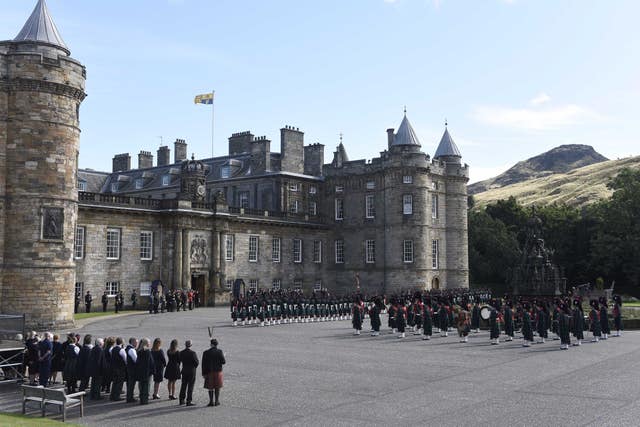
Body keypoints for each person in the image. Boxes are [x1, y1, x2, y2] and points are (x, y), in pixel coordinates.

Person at [202, 338, 226, 407]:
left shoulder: (206, 352)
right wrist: (223, 356)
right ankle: (217, 401)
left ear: (211, 344)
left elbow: (203, 364)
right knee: (217, 387)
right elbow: (223, 362)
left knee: (210, 387)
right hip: (218, 372)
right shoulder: (220, 351)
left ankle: (211, 402)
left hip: (209, 372)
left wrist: (204, 373)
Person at [178, 340, 199, 406]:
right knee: (190, 386)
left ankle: (181, 400)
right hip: (191, 371)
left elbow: (179, 361)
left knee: (183, 385)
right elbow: (197, 363)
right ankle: (189, 401)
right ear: (191, 345)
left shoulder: (181, 352)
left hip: (184, 370)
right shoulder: (193, 353)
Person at [135, 338, 155, 405]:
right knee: (146, 386)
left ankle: (141, 398)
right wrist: (153, 370)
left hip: (140, 371)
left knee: (141, 385)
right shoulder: (147, 351)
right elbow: (150, 362)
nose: (150, 344)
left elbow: (137, 361)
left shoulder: (139, 350)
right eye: (149, 342)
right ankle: (144, 400)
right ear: (146, 343)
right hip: (146, 372)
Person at [109, 337, 127, 401]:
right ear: (122, 342)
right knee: (119, 383)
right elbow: (125, 360)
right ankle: (117, 396)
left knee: (115, 382)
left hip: (114, 367)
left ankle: (112, 396)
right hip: (120, 368)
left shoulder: (113, 349)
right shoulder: (121, 350)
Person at [125, 337, 139, 402]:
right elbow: (136, 360)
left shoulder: (128, 348)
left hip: (129, 368)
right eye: (136, 342)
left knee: (130, 383)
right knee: (131, 384)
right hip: (132, 369)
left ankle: (129, 396)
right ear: (132, 342)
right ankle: (130, 398)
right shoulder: (131, 350)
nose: (137, 343)